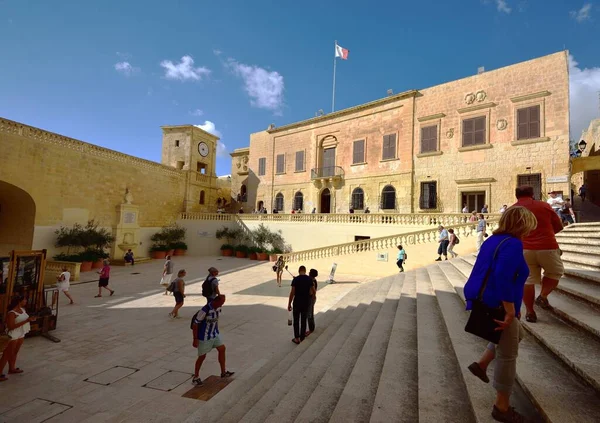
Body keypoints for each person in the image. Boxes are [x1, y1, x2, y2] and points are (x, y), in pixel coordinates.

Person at [464, 206, 536, 423]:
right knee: (508, 355)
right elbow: (503, 276)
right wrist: (510, 309)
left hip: (487, 299)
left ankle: (482, 364)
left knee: (518, 335)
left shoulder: (493, 240)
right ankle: (501, 407)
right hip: (499, 305)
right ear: (522, 224)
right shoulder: (513, 244)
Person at [515, 186, 564, 323]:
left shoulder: (512, 209)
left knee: (528, 280)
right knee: (555, 272)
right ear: (532, 194)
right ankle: (542, 296)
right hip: (547, 247)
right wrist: (545, 234)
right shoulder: (544, 206)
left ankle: (530, 312)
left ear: (516, 195)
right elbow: (559, 226)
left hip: (524, 249)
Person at [191, 295, 234, 386]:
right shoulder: (205, 310)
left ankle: (223, 372)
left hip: (214, 334)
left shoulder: (218, 309)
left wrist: (216, 331)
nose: (222, 305)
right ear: (216, 301)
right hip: (204, 337)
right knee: (202, 357)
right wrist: (195, 339)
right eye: (221, 303)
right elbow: (195, 324)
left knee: (222, 349)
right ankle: (196, 377)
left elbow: (216, 320)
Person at [0, 295, 37, 381]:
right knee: (7, 354)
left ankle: (12, 368)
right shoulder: (12, 313)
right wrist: (26, 321)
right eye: (24, 300)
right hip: (13, 334)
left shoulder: (23, 310)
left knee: (15, 352)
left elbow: (25, 319)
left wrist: (31, 319)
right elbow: (11, 326)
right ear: (19, 301)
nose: (26, 301)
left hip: (21, 333)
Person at [287, 266, 314, 344]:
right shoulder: (309, 279)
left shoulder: (295, 279)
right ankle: (302, 337)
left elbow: (292, 292)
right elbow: (312, 292)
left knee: (296, 321)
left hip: (297, 303)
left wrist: (289, 304)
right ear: (305, 271)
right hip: (305, 303)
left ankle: (297, 338)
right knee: (303, 320)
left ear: (299, 271)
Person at [306, 269, 319, 336]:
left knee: (309, 314)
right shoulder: (312, 280)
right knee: (310, 313)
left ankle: (311, 329)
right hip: (312, 298)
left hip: (311, 299)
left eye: (310, 272)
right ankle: (311, 328)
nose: (308, 273)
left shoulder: (312, 282)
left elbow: (312, 292)